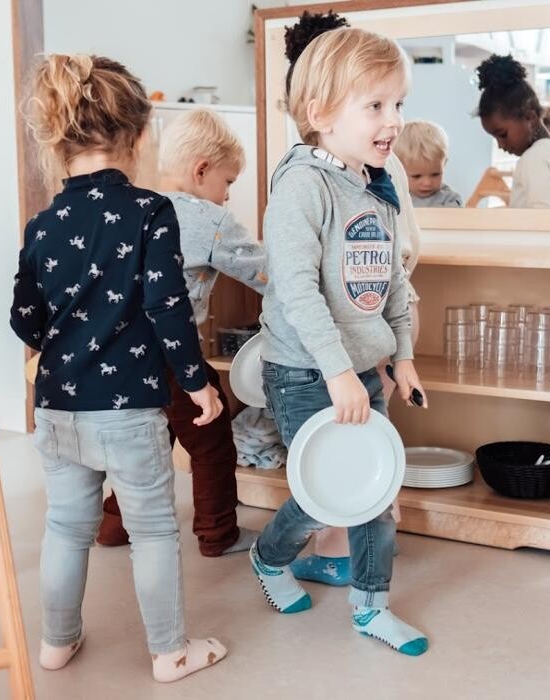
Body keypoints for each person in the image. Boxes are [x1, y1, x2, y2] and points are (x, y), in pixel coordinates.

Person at [10, 53, 227, 682]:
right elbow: (168, 306)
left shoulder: (44, 224)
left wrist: (66, 327)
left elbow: (24, 321)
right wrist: (196, 382)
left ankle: (56, 643)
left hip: (55, 406)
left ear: (60, 140)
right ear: (136, 135)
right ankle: (170, 652)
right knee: (154, 528)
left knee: (65, 526)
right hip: (127, 409)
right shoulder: (150, 210)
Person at [250, 25, 430, 657]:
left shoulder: (375, 185)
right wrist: (337, 373)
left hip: (357, 367)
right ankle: (270, 557)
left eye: (398, 104)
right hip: (304, 370)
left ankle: (371, 607)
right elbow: (298, 294)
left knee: (374, 493)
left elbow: (393, 283)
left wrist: (401, 356)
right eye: (376, 105)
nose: (393, 121)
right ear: (320, 114)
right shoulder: (304, 186)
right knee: (321, 491)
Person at [97, 108, 266, 557]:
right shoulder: (209, 220)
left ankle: (114, 525)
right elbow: (266, 275)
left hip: (122, 353)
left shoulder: (132, 208)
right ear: (201, 170)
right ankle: (218, 534)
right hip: (173, 355)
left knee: (149, 443)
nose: (228, 196)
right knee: (210, 441)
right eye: (228, 182)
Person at [476, 54, 550, 209]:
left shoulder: (533, 158)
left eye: (502, 135)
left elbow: (542, 218)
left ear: (530, 118)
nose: (500, 145)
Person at [394, 120, 463, 207]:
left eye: (435, 174)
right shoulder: (393, 198)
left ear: (444, 164)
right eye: (417, 176)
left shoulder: (449, 199)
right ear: (398, 169)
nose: (427, 183)